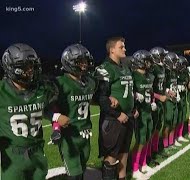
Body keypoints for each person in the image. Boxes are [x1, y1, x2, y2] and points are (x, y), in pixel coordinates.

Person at [0, 43, 69, 180]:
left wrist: (56, 118)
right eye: (26, 66)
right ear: (12, 68)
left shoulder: (42, 88)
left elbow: (46, 108)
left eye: (32, 65)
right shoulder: (2, 91)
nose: (31, 70)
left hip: (37, 151)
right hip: (13, 155)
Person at [53, 43, 96, 180]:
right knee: (74, 174)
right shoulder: (60, 82)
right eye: (80, 61)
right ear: (69, 62)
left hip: (85, 134)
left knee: (82, 171)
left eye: (85, 61)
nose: (84, 64)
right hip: (69, 136)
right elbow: (51, 106)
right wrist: (56, 127)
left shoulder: (89, 82)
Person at [94, 37, 135, 180]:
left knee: (124, 152)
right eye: (121, 47)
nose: (125, 49)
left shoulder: (124, 67)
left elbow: (129, 92)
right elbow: (101, 97)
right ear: (112, 50)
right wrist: (117, 114)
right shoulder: (105, 68)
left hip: (128, 116)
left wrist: (133, 108)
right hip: (113, 119)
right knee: (111, 156)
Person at [130, 50, 155, 179]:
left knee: (147, 138)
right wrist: (134, 97)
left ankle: (143, 163)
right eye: (147, 60)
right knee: (140, 140)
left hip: (148, 111)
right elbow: (127, 92)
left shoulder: (149, 76)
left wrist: (153, 101)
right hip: (139, 113)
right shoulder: (133, 75)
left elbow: (150, 92)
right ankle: (135, 168)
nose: (149, 63)